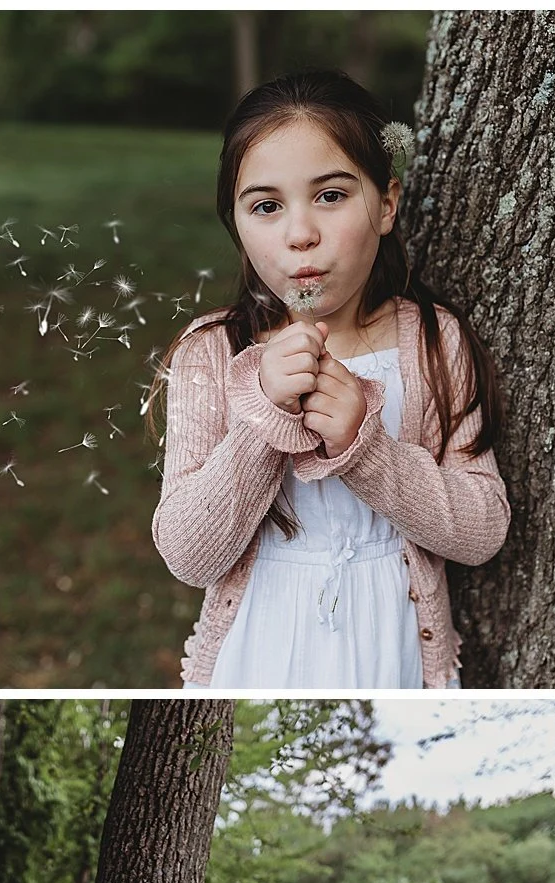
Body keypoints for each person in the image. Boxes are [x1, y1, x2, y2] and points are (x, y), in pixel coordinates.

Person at [152, 68, 510, 690]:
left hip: (390, 642)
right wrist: (264, 416)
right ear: (237, 223)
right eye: (266, 206)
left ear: (387, 205)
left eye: (331, 196)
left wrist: (365, 452)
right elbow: (189, 553)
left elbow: (482, 529)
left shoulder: (431, 340)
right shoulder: (213, 351)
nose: (300, 234)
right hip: (260, 639)